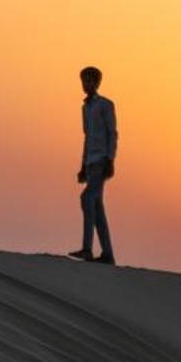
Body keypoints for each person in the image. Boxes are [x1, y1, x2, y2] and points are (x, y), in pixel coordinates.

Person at [69, 66, 117, 264]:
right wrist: (82, 166)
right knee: (96, 207)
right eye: (84, 80)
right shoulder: (85, 108)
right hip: (90, 162)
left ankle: (87, 249)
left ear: (97, 83)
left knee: (86, 198)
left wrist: (110, 159)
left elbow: (112, 133)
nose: (86, 84)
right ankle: (107, 254)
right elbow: (87, 138)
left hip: (101, 160)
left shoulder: (105, 105)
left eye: (89, 81)